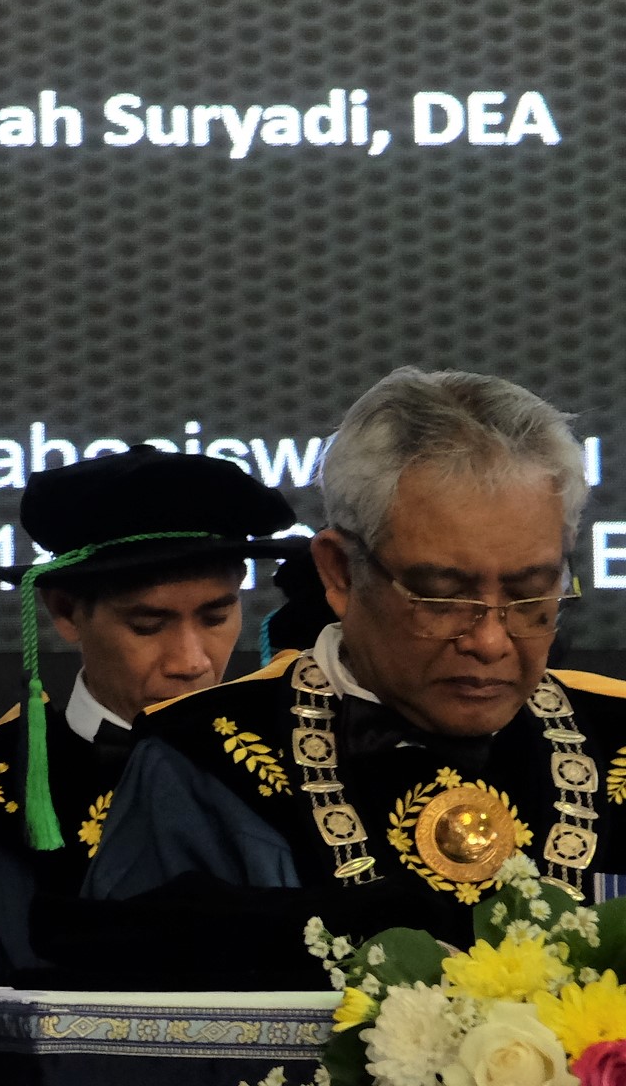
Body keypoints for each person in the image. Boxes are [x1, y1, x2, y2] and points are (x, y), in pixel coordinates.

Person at [73, 370, 626, 984]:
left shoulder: (619, 741)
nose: (490, 641)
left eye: (530, 593)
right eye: (442, 597)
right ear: (339, 572)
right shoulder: (203, 762)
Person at [0, 452, 293, 986]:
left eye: (216, 617)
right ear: (65, 611)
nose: (191, 661)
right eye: (149, 625)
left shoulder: (296, 774)